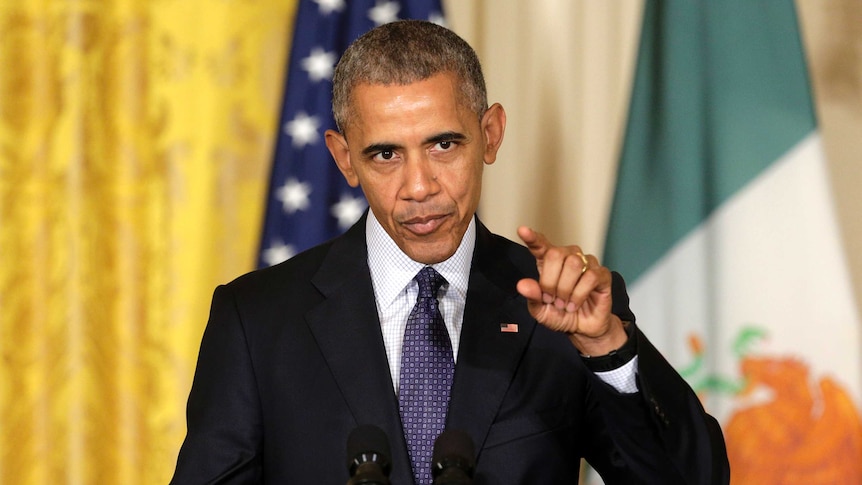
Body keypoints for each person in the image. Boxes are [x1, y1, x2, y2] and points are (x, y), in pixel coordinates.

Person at [172, 20, 729, 484]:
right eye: (386, 154)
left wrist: (605, 346)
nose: (419, 186)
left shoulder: (562, 309)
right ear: (344, 159)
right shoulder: (258, 319)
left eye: (443, 144)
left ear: (490, 133)